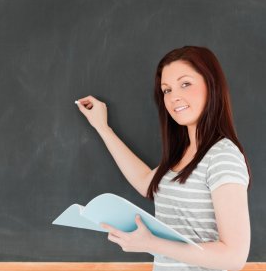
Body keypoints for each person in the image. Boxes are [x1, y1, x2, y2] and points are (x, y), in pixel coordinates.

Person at [75, 46, 251, 271]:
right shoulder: (185, 153)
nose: (174, 96)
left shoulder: (222, 156)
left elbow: (233, 257)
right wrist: (102, 127)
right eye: (166, 90)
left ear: (211, 85)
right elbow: (146, 182)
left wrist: (152, 244)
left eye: (185, 84)